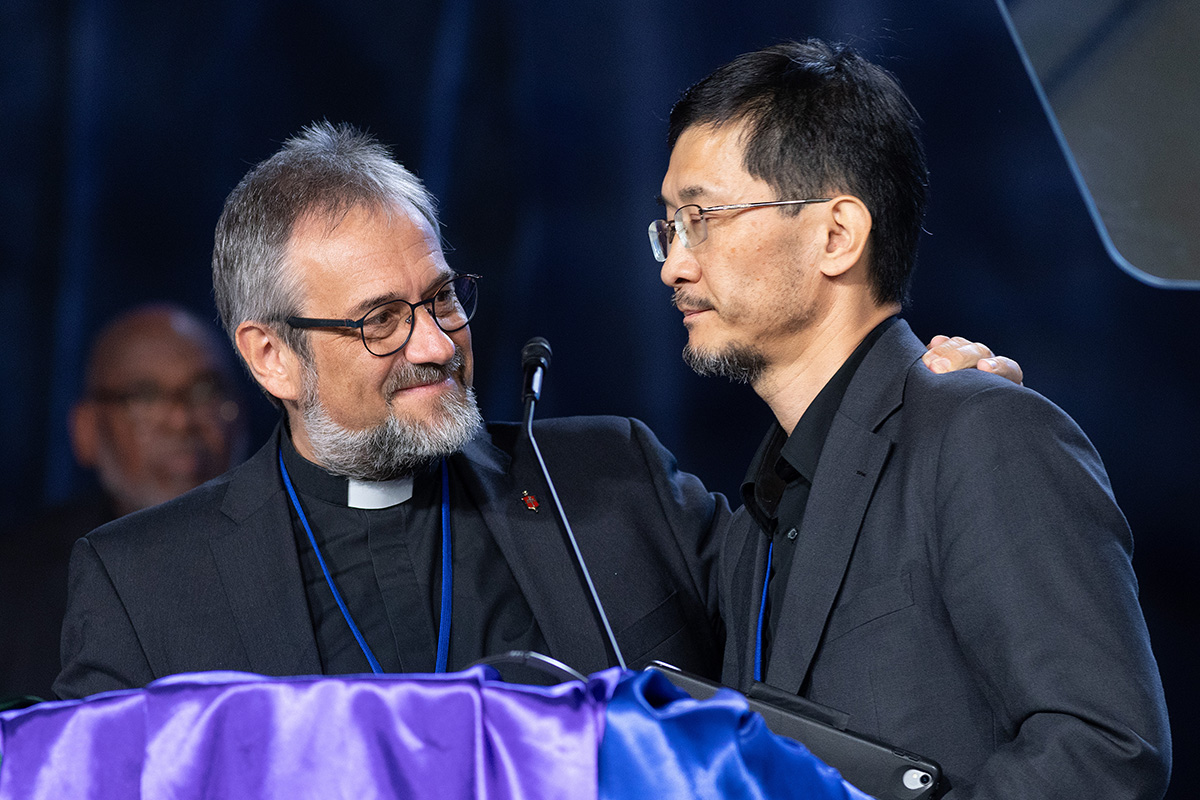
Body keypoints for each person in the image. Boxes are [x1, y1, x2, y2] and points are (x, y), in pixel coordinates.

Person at [54, 123, 1013, 702]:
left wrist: (918, 429)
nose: (435, 343)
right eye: (382, 321)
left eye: (440, 299)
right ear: (271, 356)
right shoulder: (145, 585)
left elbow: (817, 601)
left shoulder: (608, 478)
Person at [653, 40, 1170, 797]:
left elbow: (1105, 748)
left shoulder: (984, 432)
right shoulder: (757, 519)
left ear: (837, 235)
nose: (675, 263)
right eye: (669, 227)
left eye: (702, 218)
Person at [0, 304, 245, 701]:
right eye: (144, 397)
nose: (181, 420)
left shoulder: (298, 554)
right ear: (86, 431)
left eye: (205, 392)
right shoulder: (15, 583)